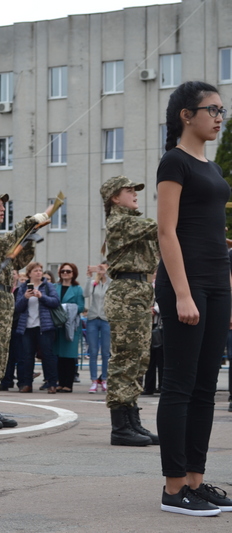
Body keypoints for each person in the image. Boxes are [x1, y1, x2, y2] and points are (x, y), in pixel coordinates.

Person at [155, 81, 232, 515]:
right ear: (187, 115)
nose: (219, 116)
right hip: (187, 285)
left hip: (217, 283)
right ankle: (173, 489)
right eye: (212, 109)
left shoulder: (214, 169)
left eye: (223, 109)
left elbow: (212, 234)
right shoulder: (175, 162)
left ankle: (197, 482)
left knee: (206, 389)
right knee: (180, 386)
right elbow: (167, 232)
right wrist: (183, 294)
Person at [0, 193, 56, 428]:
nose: (2, 209)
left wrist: (28, 240)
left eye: (3, 205)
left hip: (3, 296)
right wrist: (28, 223)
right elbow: (5, 245)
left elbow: (17, 261)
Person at [98, 174, 160, 449]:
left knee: (138, 357)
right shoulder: (120, 221)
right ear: (114, 197)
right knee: (126, 358)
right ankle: (121, 426)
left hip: (139, 291)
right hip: (126, 292)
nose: (135, 193)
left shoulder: (134, 224)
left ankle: (132, 420)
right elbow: (159, 226)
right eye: (129, 190)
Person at [15, 262, 60, 394]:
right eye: (35, 271)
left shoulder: (48, 286)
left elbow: (55, 302)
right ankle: (27, 384)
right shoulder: (23, 288)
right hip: (27, 327)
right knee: (27, 356)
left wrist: (42, 296)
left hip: (44, 327)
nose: (39, 273)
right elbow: (17, 307)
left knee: (48, 355)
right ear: (29, 273)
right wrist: (25, 298)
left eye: (40, 270)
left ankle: (52, 384)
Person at [53, 263, 85, 393]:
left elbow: (81, 307)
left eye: (68, 271)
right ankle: (60, 382)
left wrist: (66, 307)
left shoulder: (77, 289)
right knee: (58, 355)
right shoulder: (55, 287)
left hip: (70, 325)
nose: (65, 273)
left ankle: (68, 384)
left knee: (69, 356)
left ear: (73, 273)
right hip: (57, 324)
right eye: (63, 271)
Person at [84, 262, 111, 393]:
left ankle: (104, 379)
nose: (100, 270)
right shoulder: (94, 284)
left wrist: (106, 273)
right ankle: (94, 380)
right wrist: (89, 277)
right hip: (93, 318)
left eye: (103, 268)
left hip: (106, 319)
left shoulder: (110, 284)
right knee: (93, 352)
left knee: (106, 352)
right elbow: (86, 294)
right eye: (99, 268)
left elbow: (113, 288)